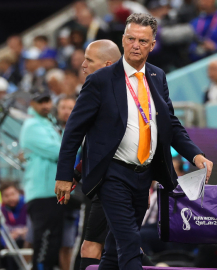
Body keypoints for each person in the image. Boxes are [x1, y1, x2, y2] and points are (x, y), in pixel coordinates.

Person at [55, 13, 213, 270]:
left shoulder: (157, 76)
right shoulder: (100, 80)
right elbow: (73, 130)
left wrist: (195, 155)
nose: (136, 45)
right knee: (129, 245)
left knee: (113, 254)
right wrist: (64, 174)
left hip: (144, 176)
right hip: (112, 174)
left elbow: (170, 124)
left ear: (152, 45)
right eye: (131, 39)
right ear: (123, 40)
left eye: (142, 40)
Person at [78, 40, 122, 270]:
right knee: (124, 246)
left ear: (107, 65)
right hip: (109, 182)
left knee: (91, 247)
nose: (83, 65)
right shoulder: (106, 92)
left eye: (89, 60)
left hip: (111, 183)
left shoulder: (114, 97)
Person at [20, 91, 64, 270]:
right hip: (41, 191)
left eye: (47, 101)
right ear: (32, 103)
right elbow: (59, 152)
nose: (45, 105)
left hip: (51, 191)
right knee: (44, 241)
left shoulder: (47, 123)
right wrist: (81, 144)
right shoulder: (31, 126)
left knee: (53, 242)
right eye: (41, 102)